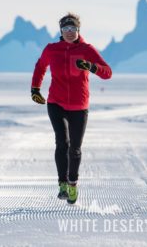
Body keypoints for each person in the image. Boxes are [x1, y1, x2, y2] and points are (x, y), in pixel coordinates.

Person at [31, 13, 112, 204]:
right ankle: (62, 185)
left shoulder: (87, 49)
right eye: (66, 29)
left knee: (75, 148)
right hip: (56, 103)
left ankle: (73, 183)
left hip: (79, 106)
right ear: (61, 31)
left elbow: (107, 72)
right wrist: (35, 88)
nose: (69, 32)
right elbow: (40, 66)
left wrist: (91, 67)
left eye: (73, 29)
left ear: (78, 30)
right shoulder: (52, 49)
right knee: (62, 142)